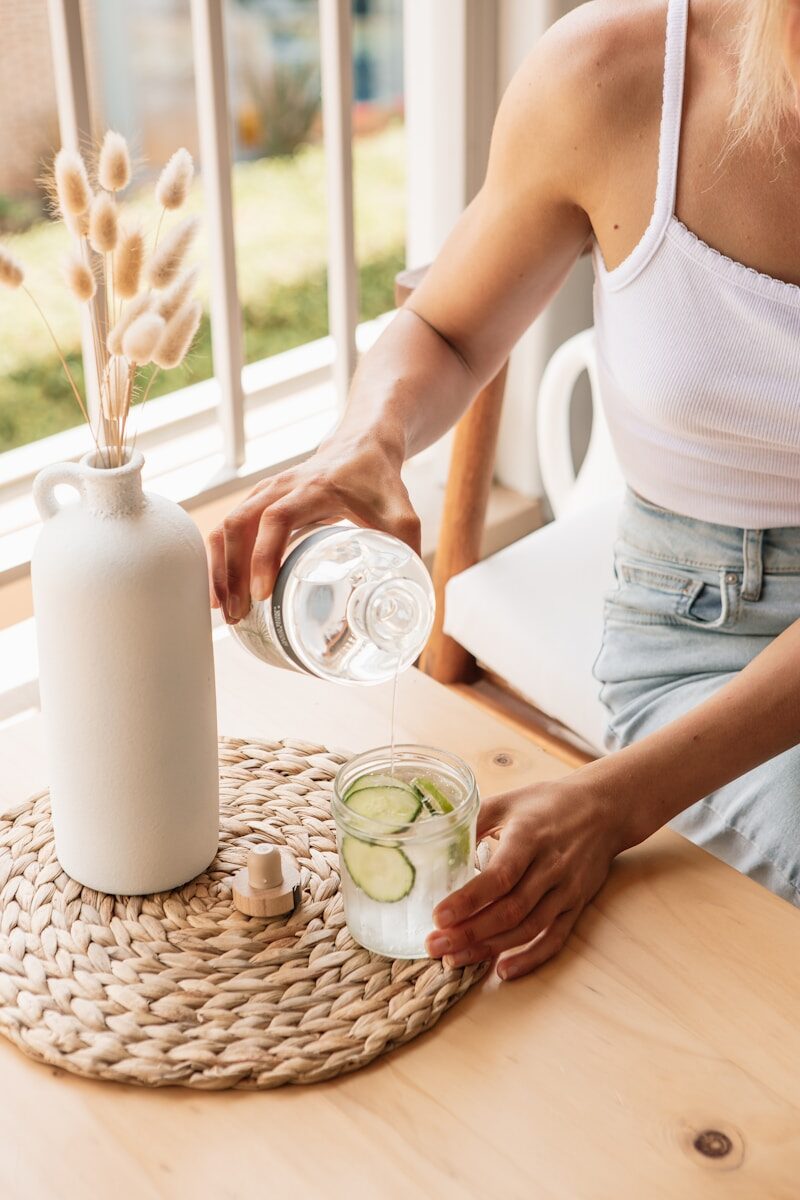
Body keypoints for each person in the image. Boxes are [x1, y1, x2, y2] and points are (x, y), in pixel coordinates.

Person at [209, 0, 800, 980]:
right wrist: (364, 442)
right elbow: (444, 329)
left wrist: (612, 799)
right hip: (704, 634)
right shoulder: (613, 77)